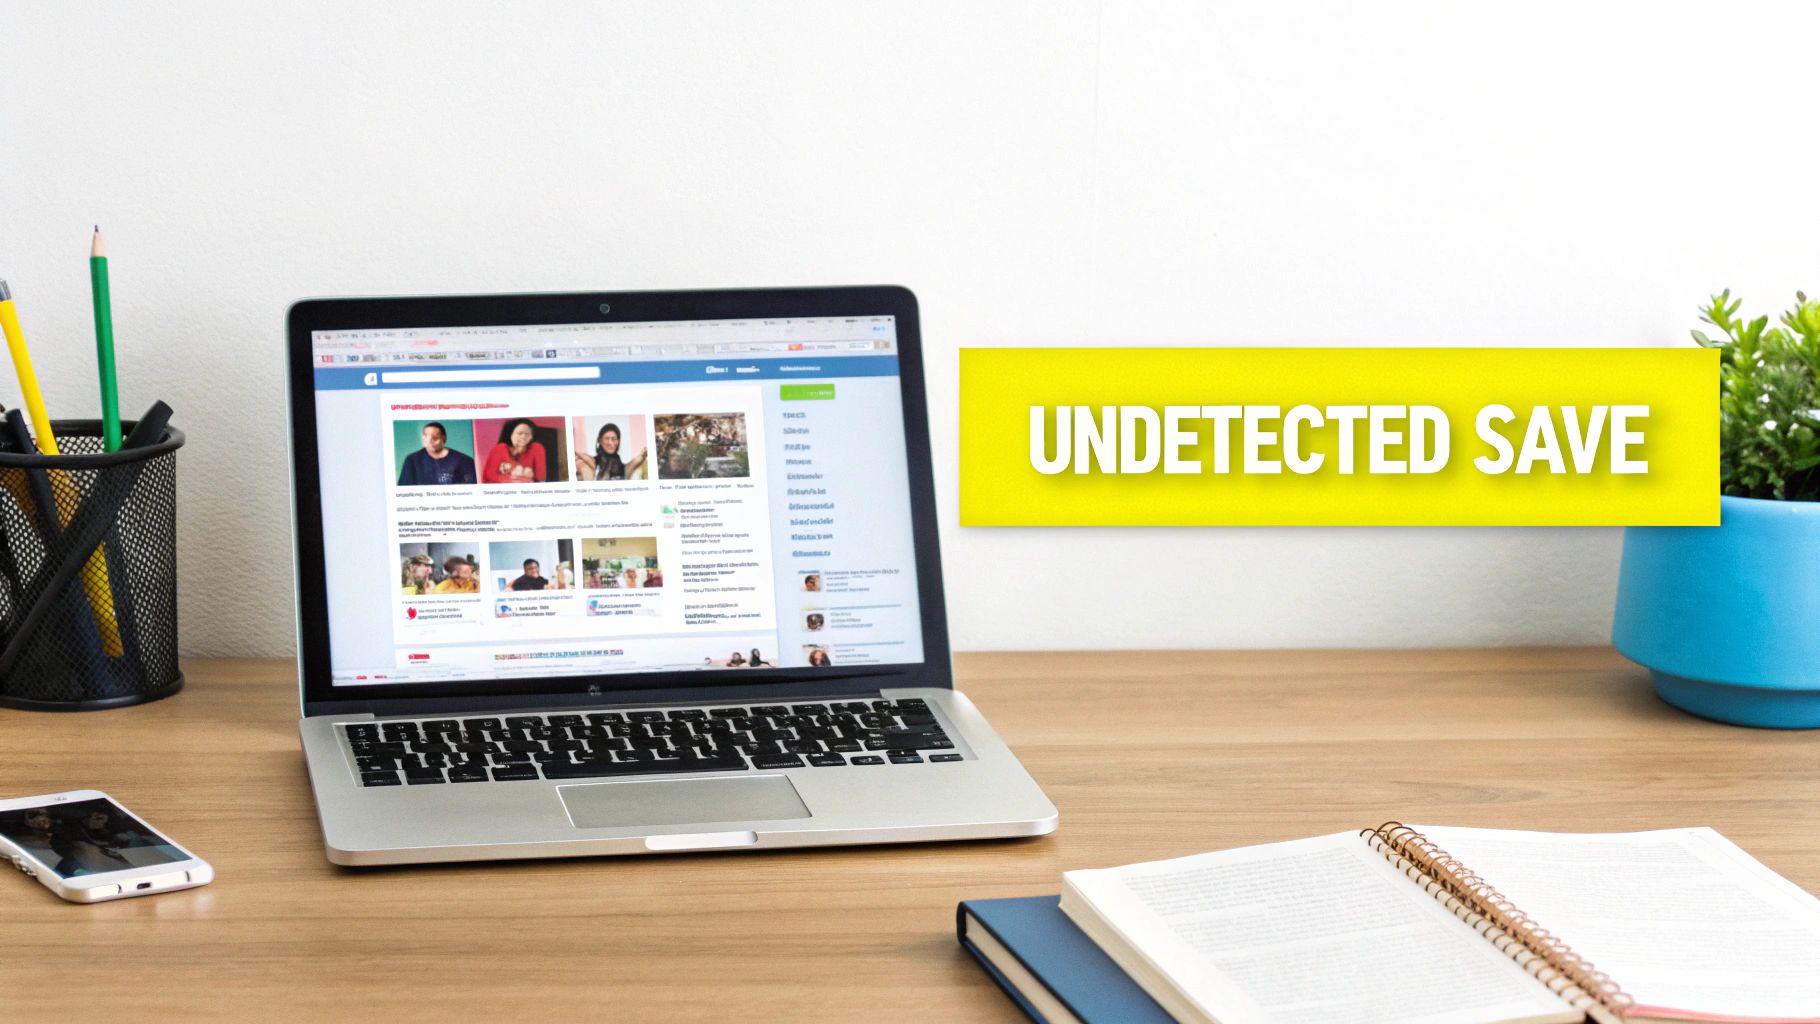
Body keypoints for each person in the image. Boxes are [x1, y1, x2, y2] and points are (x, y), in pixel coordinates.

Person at [397, 422, 477, 486]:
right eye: (426, 437)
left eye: (435, 438)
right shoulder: (412, 460)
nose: (430, 441)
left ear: (444, 438)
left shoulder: (464, 461)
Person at [574, 422, 648, 481]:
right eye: (607, 438)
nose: (610, 443)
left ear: (618, 441)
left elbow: (636, 461)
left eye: (614, 439)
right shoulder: (590, 463)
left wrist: (644, 453)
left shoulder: (622, 467)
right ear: (600, 440)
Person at [481, 419, 547, 484]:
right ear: (510, 434)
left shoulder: (536, 448)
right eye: (520, 433)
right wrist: (512, 479)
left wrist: (531, 474)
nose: (523, 437)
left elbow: (541, 478)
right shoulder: (500, 449)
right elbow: (488, 477)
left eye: (527, 434)